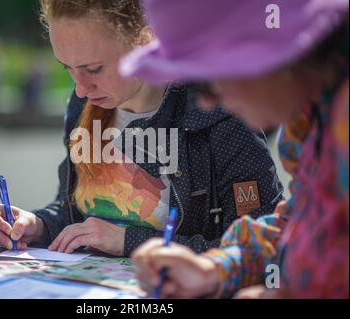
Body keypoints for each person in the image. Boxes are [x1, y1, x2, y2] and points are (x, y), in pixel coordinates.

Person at [0, 0, 284, 258]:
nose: (79, 90)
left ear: (146, 38)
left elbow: (259, 248)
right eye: (67, 67)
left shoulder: (221, 115)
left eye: (93, 69)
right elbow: (75, 212)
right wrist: (38, 224)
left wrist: (129, 242)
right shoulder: (84, 105)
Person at [124, 0, 349, 298]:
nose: (204, 102)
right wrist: (214, 270)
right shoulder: (306, 114)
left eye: (206, 81)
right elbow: (302, 224)